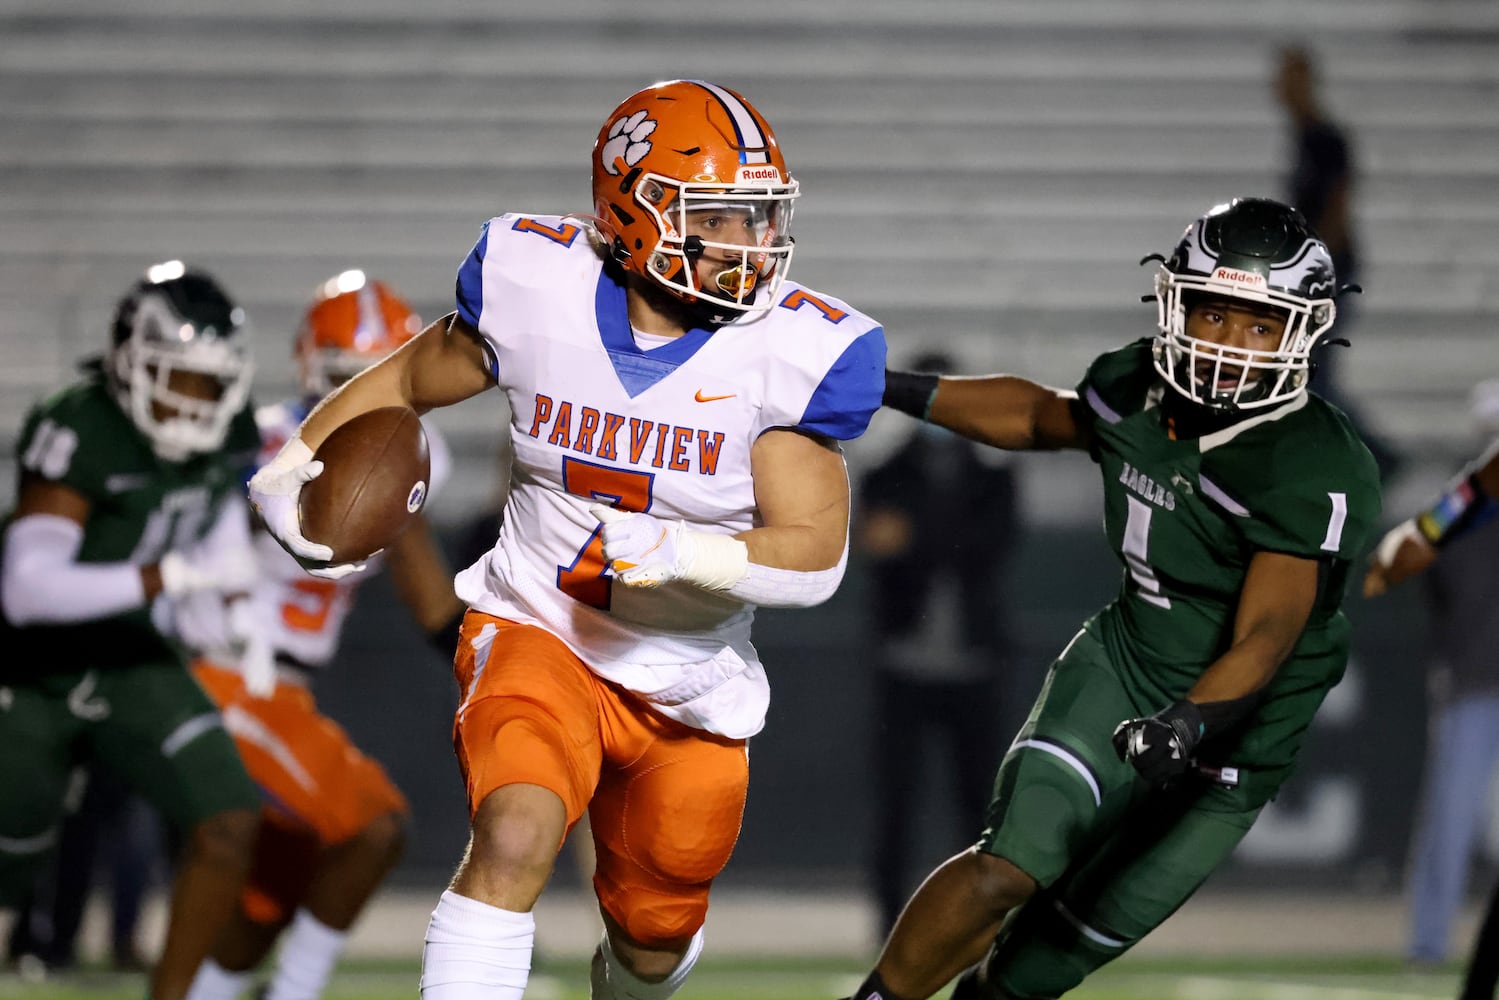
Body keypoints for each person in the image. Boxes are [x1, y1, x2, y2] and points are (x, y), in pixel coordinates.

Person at [246, 80, 885, 1000]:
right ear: (638, 209)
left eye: (759, 218)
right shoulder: (536, 286)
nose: (752, 245)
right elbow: (413, 377)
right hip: (539, 623)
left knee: (654, 936)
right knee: (513, 832)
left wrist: (685, 557)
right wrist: (297, 462)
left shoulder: (787, 353)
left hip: (688, 673)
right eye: (720, 218)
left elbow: (814, 553)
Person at [843, 196, 1380, 1000]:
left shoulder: (1310, 462)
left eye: (1258, 325)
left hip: (1235, 739)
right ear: (1175, 305)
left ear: (1301, 334)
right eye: (1214, 314)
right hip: (1125, 669)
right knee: (1005, 869)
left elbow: (1266, 634)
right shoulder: (1137, 388)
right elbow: (1037, 415)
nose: (1230, 345)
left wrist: (1187, 724)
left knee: (1035, 968)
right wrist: (884, 388)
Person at [184, 272, 466, 1000]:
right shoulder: (266, 440)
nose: (364, 399)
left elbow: (430, 599)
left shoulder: (406, 453)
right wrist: (276, 489)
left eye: (380, 376)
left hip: (282, 688)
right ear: (313, 370)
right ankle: (296, 994)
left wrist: (489, 662)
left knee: (269, 896)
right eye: (349, 379)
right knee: (374, 829)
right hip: (225, 673)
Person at [0, 261, 264, 1000]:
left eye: (209, 383)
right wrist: (168, 578)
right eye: (178, 377)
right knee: (11, 855)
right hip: (30, 665)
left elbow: (216, 537)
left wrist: (234, 612)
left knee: (230, 821)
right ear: (130, 362)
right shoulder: (82, 420)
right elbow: (27, 589)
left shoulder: (226, 433)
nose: (195, 400)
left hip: (128, 655)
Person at [857, 350, 1017, 939]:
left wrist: (916, 534)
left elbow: (989, 549)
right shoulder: (886, 474)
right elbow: (881, 553)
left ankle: (977, 919)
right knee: (895, 804)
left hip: (974, 664)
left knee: (978, 806)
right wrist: (939, 534)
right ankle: (888, 923)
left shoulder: (991, 477)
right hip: (903, 663)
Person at [1389, 380, 1499, 965]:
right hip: (1474, 681)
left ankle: (1428, 944)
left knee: (1450, 823)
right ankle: (1428, 944)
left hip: (1472, 677)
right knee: (1450, 823)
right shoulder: (1458, 506)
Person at [1273, 43, 1399, 481]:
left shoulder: (1327, 139)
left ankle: (1377, 455)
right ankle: (1365, 455)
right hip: (1315, 270)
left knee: (1313, 372)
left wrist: (1319, 269)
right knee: (1311, 371)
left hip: (1328, 271)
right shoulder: (1305, 138)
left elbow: (1338, 205)